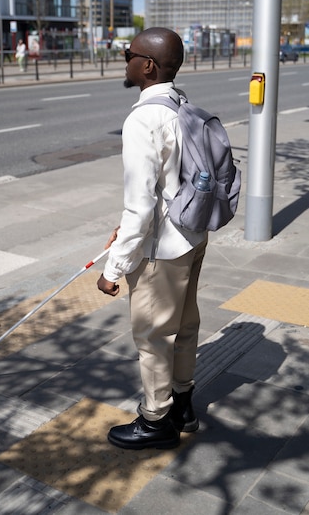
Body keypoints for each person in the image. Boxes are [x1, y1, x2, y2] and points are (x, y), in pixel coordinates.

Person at [97, 27, 208, 450]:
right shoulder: (182, 103)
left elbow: (141, 206)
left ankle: (156, 421)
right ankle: (183, 405)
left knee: (153, 336)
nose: (124, 60)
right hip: (193, 235)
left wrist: (114, 268)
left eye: (128, 54)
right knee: (184, 326)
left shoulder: (144, 116)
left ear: (147, 66)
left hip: (163, 249)